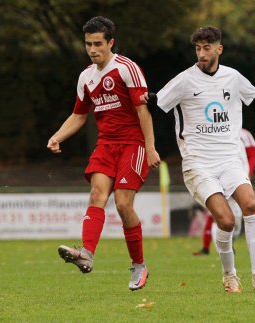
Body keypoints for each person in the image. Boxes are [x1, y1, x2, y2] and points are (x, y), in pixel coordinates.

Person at [146, 26, 255, 293]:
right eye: (198, 48)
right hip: (198, 164)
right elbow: (155, 102)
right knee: (226, 221)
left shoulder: (233, 78)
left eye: (207, 48)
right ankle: (229, 275)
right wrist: (141, 102)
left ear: (219, 49)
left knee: (250, 204)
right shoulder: (185, 81)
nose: (201, 53)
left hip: (229, 159)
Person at [47, 16, 161, 291]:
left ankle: (139, 265)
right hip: (106, 144)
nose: (92, 49)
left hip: (132, 144)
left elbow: (142, 111)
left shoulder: (126, 69)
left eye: (98, 43)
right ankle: (86, 253)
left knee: (123, 205)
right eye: (88, 44)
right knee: (97, 195)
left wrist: (150, 147)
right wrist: (57, 136)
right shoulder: (85, 77)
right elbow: (78, 115)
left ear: (111, 42)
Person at [193, 128, 255, 256]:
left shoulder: (245, 134)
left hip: (238, 181)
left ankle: (227, 245)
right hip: (217, 180)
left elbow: (253, 156)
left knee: (237, 219)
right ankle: (219, 250)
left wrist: (247, 174)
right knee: (215, 216)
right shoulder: (212, 131)